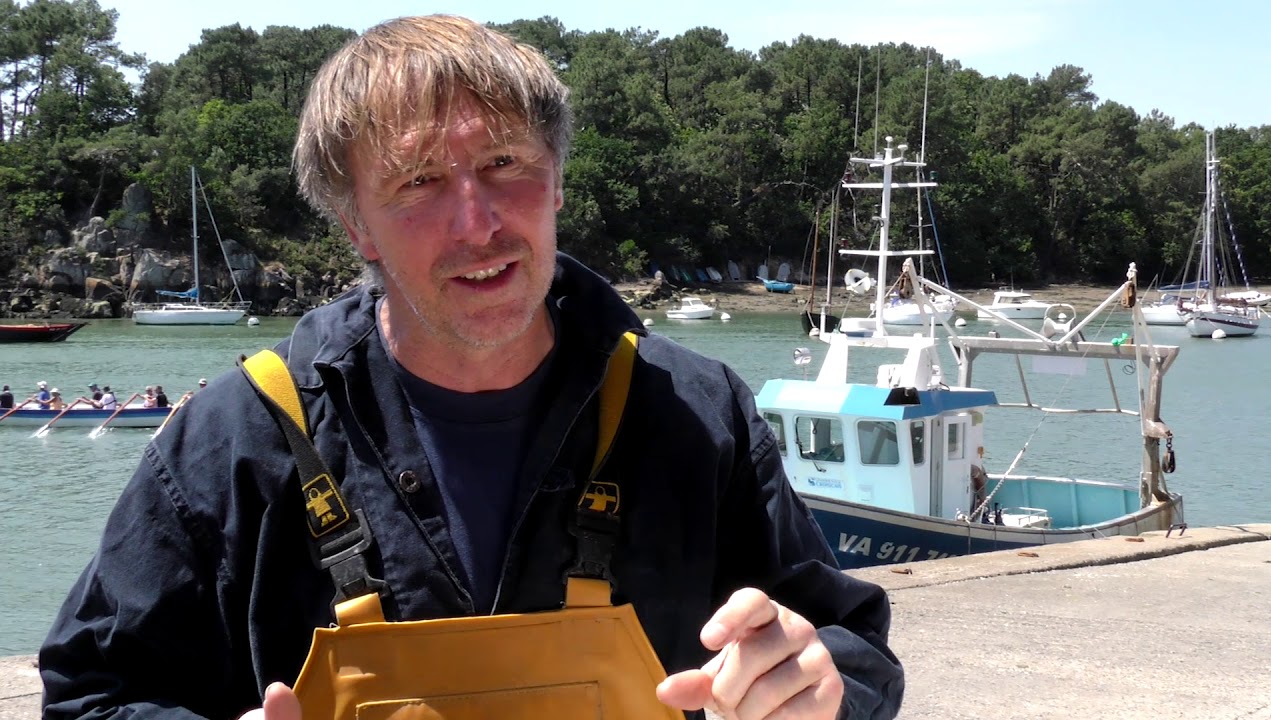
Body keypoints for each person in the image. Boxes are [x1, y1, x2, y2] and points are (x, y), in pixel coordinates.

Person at [39, 15, 903, 720]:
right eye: (417, 182)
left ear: (558, 179)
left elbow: (847, 648)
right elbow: (90, 693)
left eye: (504, 165)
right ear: (358, 229)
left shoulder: (696, 413)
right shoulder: (235, 440)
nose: (477, 223)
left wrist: (823, 686)